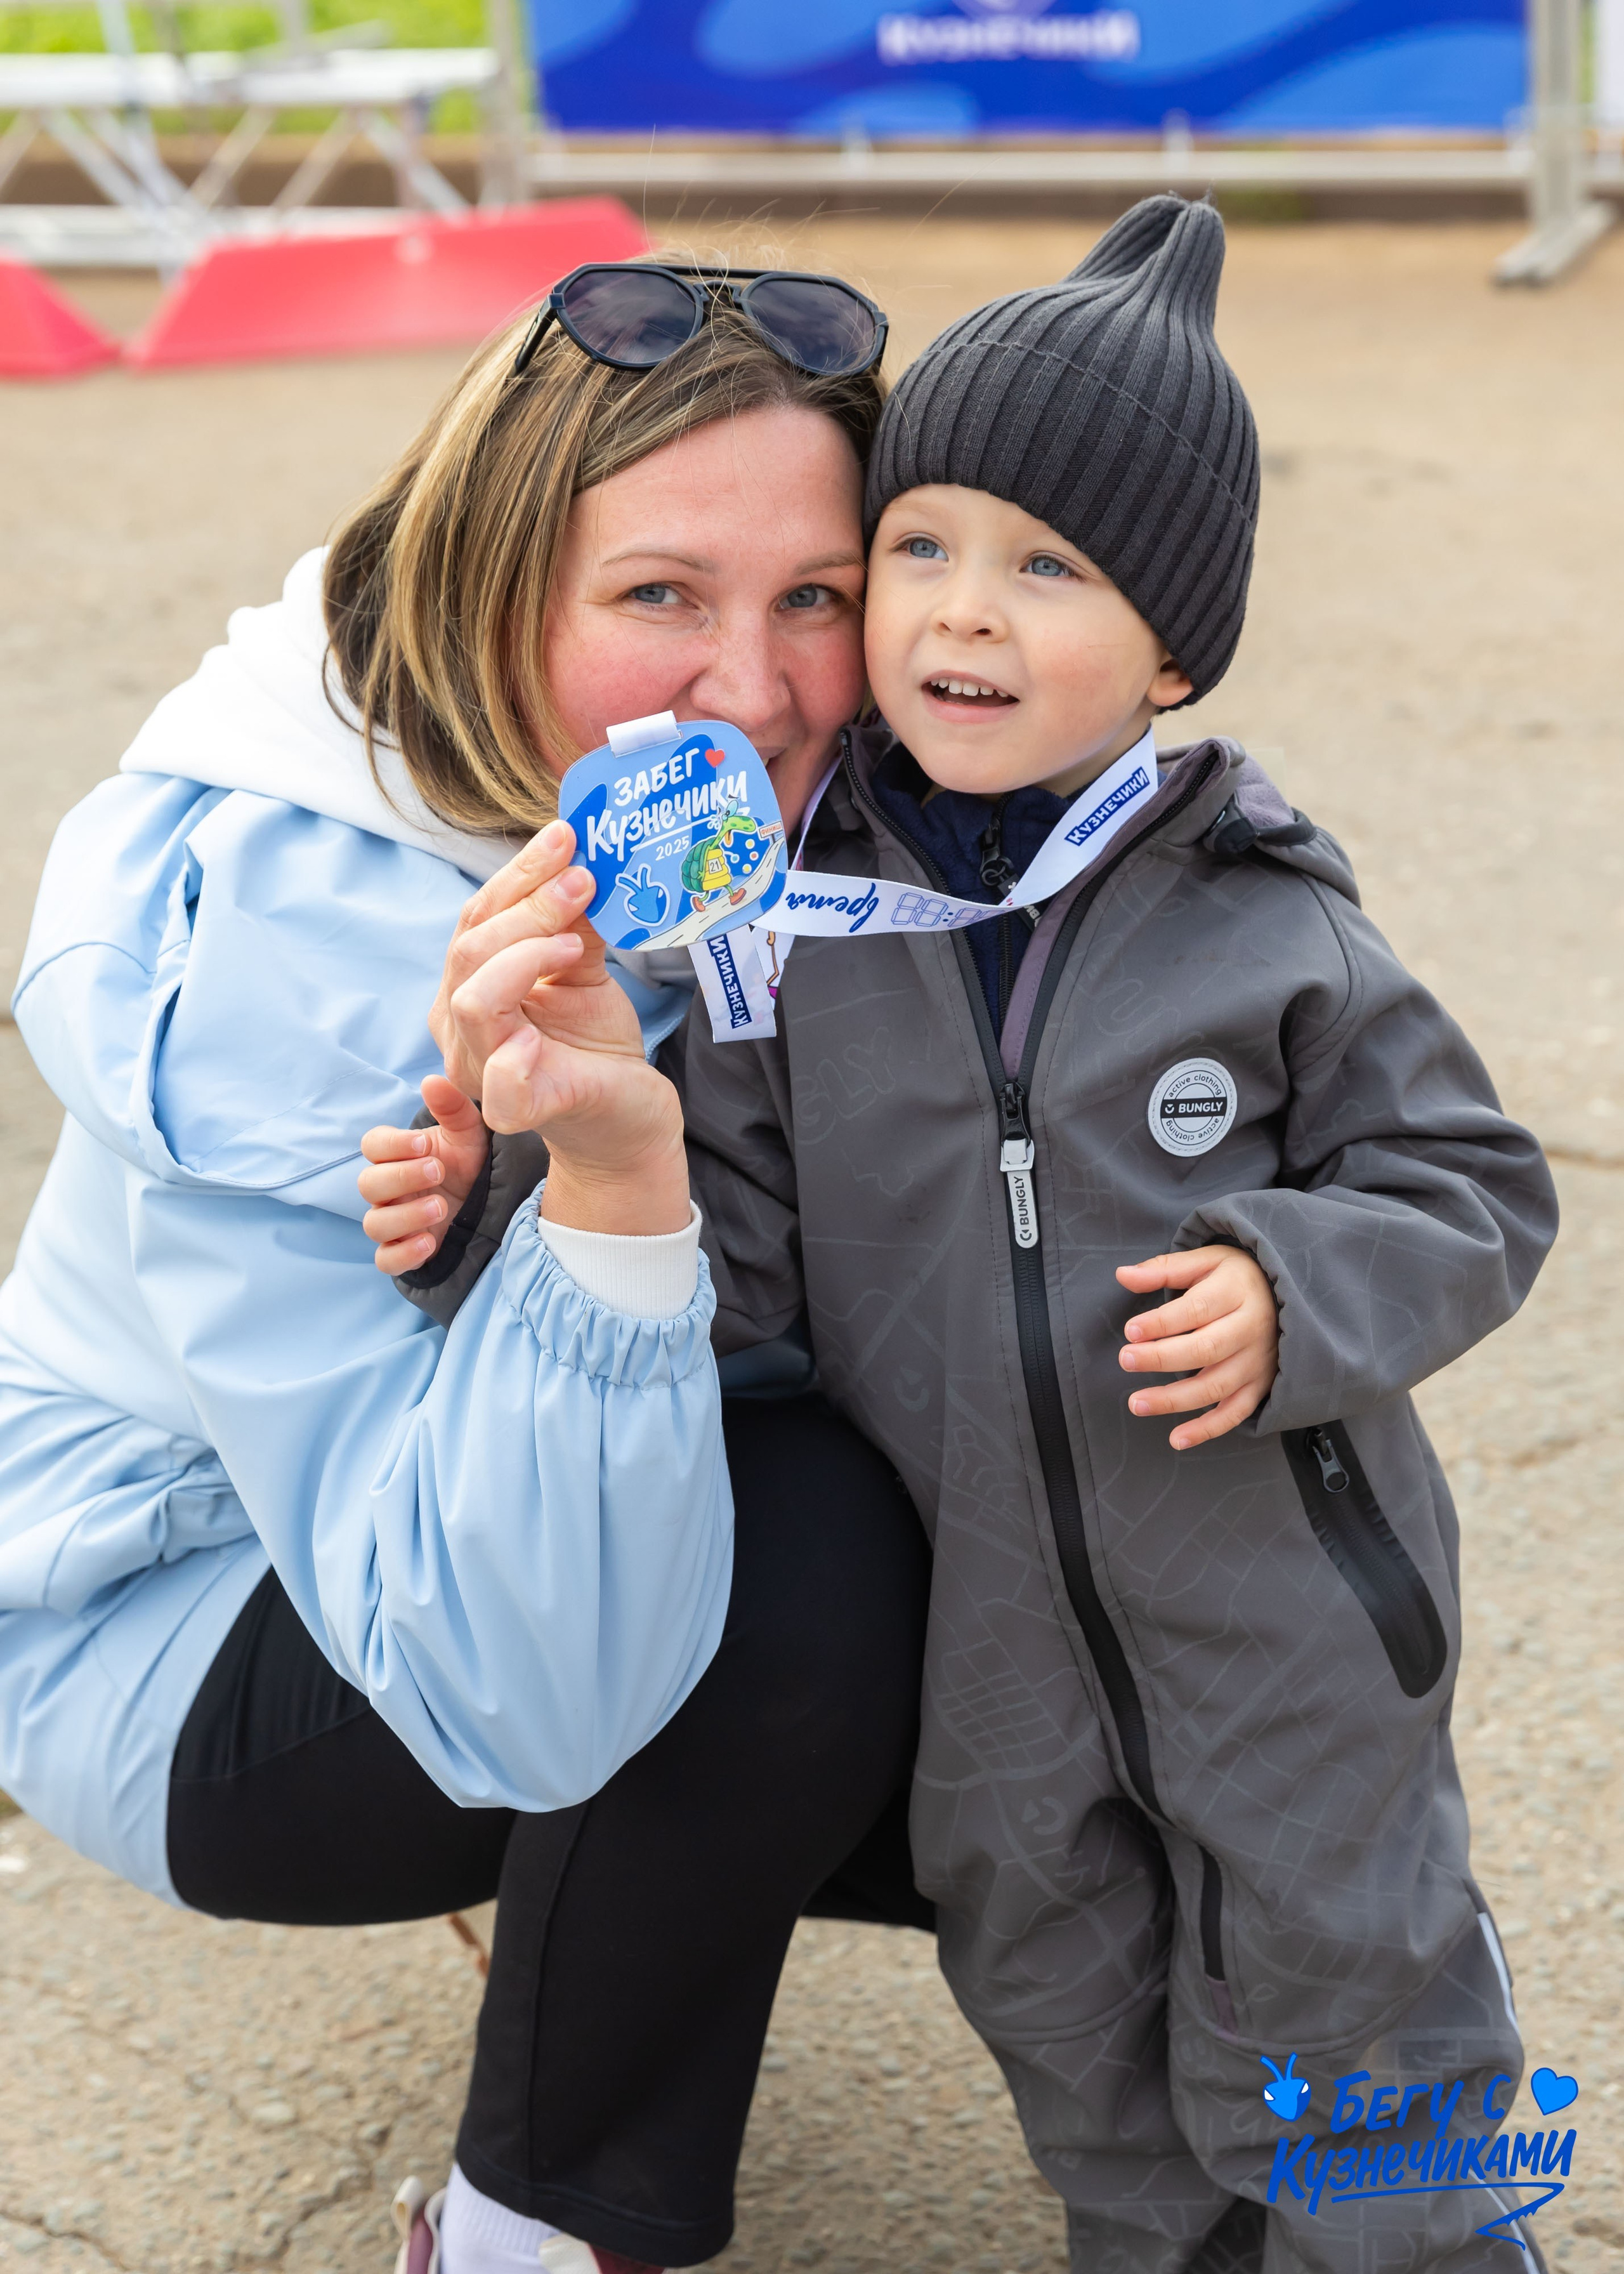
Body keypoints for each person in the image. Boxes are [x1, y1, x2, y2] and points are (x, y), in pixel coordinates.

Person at [373, 199, 1561, 2272]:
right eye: (917, 547)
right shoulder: (788, 946)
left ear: (1173, 650)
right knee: (1066, 2003)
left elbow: (1474, 1187)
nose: (962, 615)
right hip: (990, 1651)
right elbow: (719, 1267)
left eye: (1048, 568)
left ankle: (1429, 2251)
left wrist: (1299, 1286)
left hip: (1279, 1627)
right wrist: (504, 1195)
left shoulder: (1260, 919)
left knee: (1352, 1998)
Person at [0, 266, 934, 2274]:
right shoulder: (301, 961)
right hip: (187, 1623)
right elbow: (514, 1679)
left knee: (1078, 1623)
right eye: (662, 597)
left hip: (498, 1547)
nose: (754, 691)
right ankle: (532, 2235)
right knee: (811, 1575)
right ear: (507, 583)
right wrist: (606, 1187)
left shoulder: (818, 807)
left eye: (818, 598)